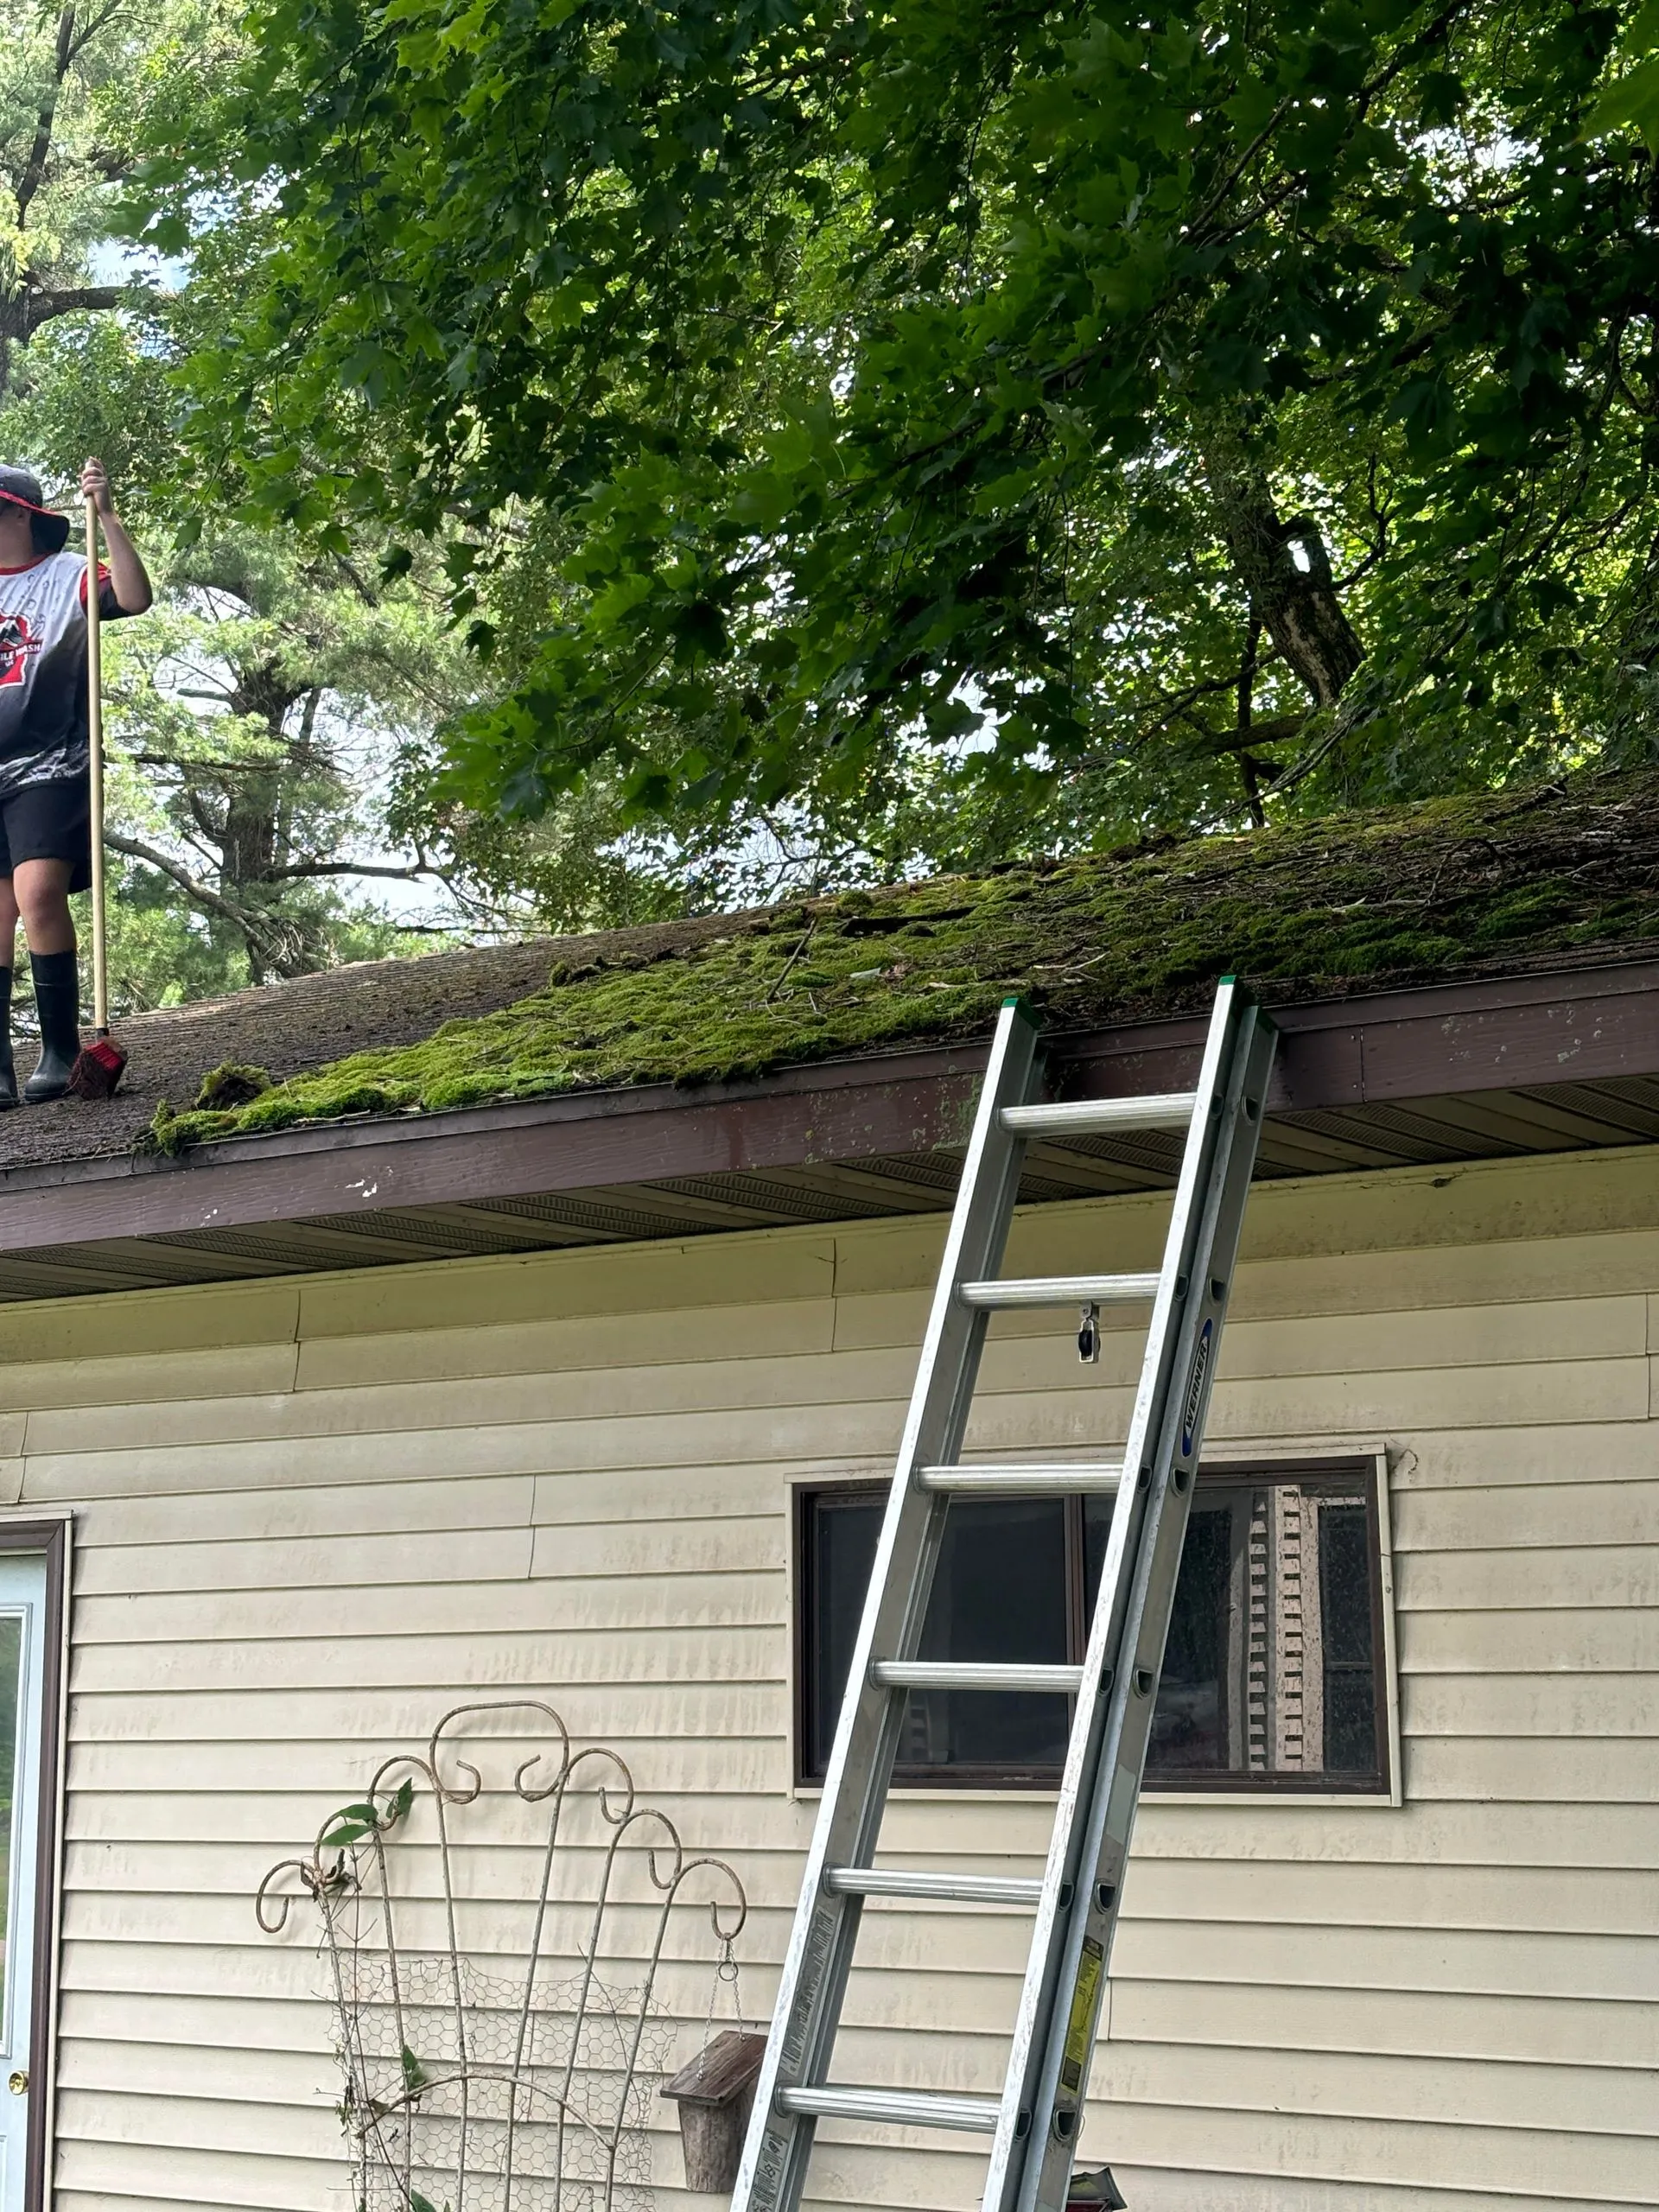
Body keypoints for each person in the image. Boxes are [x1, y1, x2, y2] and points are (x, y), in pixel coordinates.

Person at [0, 460, 151, 1104]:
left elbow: (137, 596)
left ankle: (60, 1046)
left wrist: (109, 515)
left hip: (53, 763)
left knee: (37, 892)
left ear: (19, 515)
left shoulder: (69, 576)